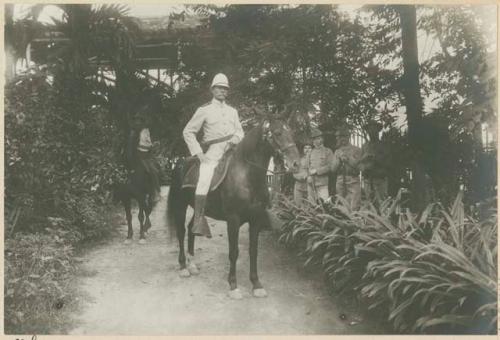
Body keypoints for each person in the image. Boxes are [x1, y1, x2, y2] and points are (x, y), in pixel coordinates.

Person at [183, 73, 244, 238]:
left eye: (225, 88)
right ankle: (198, 219)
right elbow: (188, 131)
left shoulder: (233, 111)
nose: (223, 91)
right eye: (220, 88)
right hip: (213, 153)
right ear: (212, 89)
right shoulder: (204, 110)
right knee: (204, 178)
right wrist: (198, 153)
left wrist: (235, 140)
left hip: (233, 151)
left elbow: (240, 132)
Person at [128, 114, 161, 203]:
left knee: (154, 170)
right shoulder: (133, 132)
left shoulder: (146, 131)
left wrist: (154, 146)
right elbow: (131, 146)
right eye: (136, 121)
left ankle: (156, 192)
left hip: (147, 155)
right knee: (138, 170)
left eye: (139, 121)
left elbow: (149, 144)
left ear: (142, 122)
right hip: (137, 154)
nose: (138, 123)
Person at [359, 120, 390, 205]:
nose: (371, 132)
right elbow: (360, 163)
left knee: (382, 204)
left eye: (374, 130)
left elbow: (388, 163)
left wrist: (375, 158)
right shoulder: (365, 146)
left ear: (378, 131)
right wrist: (364, 167)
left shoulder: (383, 145)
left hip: (380, 179)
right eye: (369, 130)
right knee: (369, 204)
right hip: (368, 180)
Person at [331, 127, 362, 210]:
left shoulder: (356, 150)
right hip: (340, 180)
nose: (342, 139)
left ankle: (354, 221)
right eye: (340, 137)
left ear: (348, 137)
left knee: (354, 205)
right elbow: (333, 169)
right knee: (341, 204)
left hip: (353, 179)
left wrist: (348, 158)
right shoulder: (337, 151)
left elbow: (359, 167)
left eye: (344, 136)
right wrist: (339, 159)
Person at [306, 128, 335, 203]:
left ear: (322, 139)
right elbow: (307, 167)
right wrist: (308, 176)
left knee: (324, 204)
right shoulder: (310, 152)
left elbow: (330, 166)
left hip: (322, 183)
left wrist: (317, 171)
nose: (315, 141)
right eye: (314, 139)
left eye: (318, 138)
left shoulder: (328, 151)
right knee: (312, 206)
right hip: (311, 184)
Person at [293, 141, 312, 207]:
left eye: (309, 148)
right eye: (305, 148)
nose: (307, 150)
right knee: (298, 206)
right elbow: (294, 173)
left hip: (310, 188)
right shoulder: (299, 160)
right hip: (299, 187)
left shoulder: (315, 160)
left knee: (310, 208)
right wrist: (302, 176)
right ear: (303, 150)